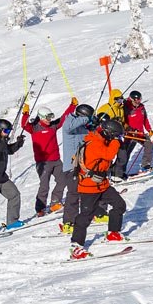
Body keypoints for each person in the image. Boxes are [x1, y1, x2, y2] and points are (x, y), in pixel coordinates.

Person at [69, 117, 128, 260]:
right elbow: (109, 154)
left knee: (119, 205)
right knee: (85, 217)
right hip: (89, 187)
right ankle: (76, 246)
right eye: (115, 136)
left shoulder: (101, 140)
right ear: (109, 134)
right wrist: (115, 141)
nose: (117, 139)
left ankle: (113, 232)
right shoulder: (95, 144)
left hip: (102, 184)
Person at [21, 98, 79, 215]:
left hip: (56, 160)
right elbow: (24, 125)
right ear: (42, 117)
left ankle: (55, 202)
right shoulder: (35, 127)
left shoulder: (53, 126)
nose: (50, 120)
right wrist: (25, 113)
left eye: (50, 117)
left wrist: (72, 106)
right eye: (48, 118)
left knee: (62, 180)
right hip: (43, 163)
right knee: (44, 186)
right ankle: (40, 209)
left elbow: (63, 118)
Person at [59, 103, 96, 234]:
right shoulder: (69, 122)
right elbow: (68, 127)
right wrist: (87, 119)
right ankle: (68, 222)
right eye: (88, 117)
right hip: (71, 167)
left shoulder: (82, 128)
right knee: (73, 193)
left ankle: (95, 213)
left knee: (90, 190)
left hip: (84, 166)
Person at [118, 89, 153, 177]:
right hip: (129, 134)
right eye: (136, 100)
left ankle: (146, 165)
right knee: (125, 153)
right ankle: (121, 172)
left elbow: (145, 119)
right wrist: (127, 129)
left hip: (140, 133)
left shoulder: (141, 107)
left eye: (139, 100)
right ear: (131, 99)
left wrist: (149, 129)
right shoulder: (126, 107)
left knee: (149, 144)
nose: (138, 102)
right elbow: (122, 121)